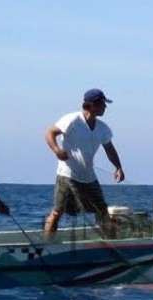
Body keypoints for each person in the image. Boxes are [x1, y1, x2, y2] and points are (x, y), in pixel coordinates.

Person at [43, 88, 126, 239]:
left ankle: (111, 243)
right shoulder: (72, 120)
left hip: (89, 177)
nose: (105, 107)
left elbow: (110, 149)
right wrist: (56, 150)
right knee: (57, 211)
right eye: (102, 104)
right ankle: (47, 244)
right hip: (67, 174)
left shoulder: (102, 128)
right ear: (92, 104)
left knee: (102, 211)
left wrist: (118, 167)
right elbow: (49, 133)